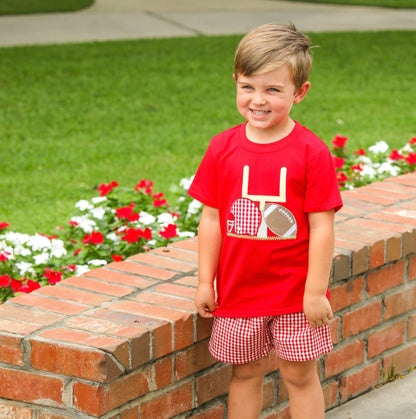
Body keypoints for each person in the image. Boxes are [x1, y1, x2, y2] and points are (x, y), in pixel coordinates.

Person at [188, 23, 343, 419]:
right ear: (236, 83)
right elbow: (211, 218)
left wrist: (315, 291)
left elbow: (322, 227)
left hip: (296, 297)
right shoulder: (222, 147)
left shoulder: (311, 152)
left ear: (300, 92)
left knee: (299, 375)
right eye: (248, 87)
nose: (258, 100)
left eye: (273, 90)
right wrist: (206, 280)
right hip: (239, 294)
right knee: (245, 373)